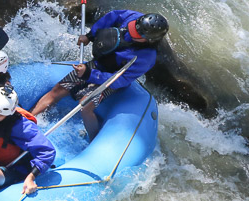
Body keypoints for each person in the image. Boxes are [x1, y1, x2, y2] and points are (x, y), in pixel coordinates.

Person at [31, 11, 168, 139]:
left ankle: (93, 138)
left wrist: (89, 74)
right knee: (57, 90)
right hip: (97, 64)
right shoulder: (134, 18)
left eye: (138, 35)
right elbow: (113, 16)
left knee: (85, 106)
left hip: (111, 78)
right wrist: (90, 36)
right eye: (134, 28)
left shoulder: (146, 58)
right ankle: (29, 119)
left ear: (149, 40)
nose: (132, 32)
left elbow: (120, 80)